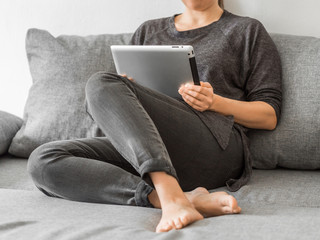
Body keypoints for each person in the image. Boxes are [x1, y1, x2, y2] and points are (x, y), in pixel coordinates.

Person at [27, 0, 282, 233]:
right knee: (43, 160)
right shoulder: (148, 31)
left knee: (101, 82)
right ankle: (172, 197)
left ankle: (170, 193)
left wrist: (215, 102)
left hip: (216, 145)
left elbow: (269, 115)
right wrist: (121, 90)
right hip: (149, 147)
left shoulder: (247, 30)